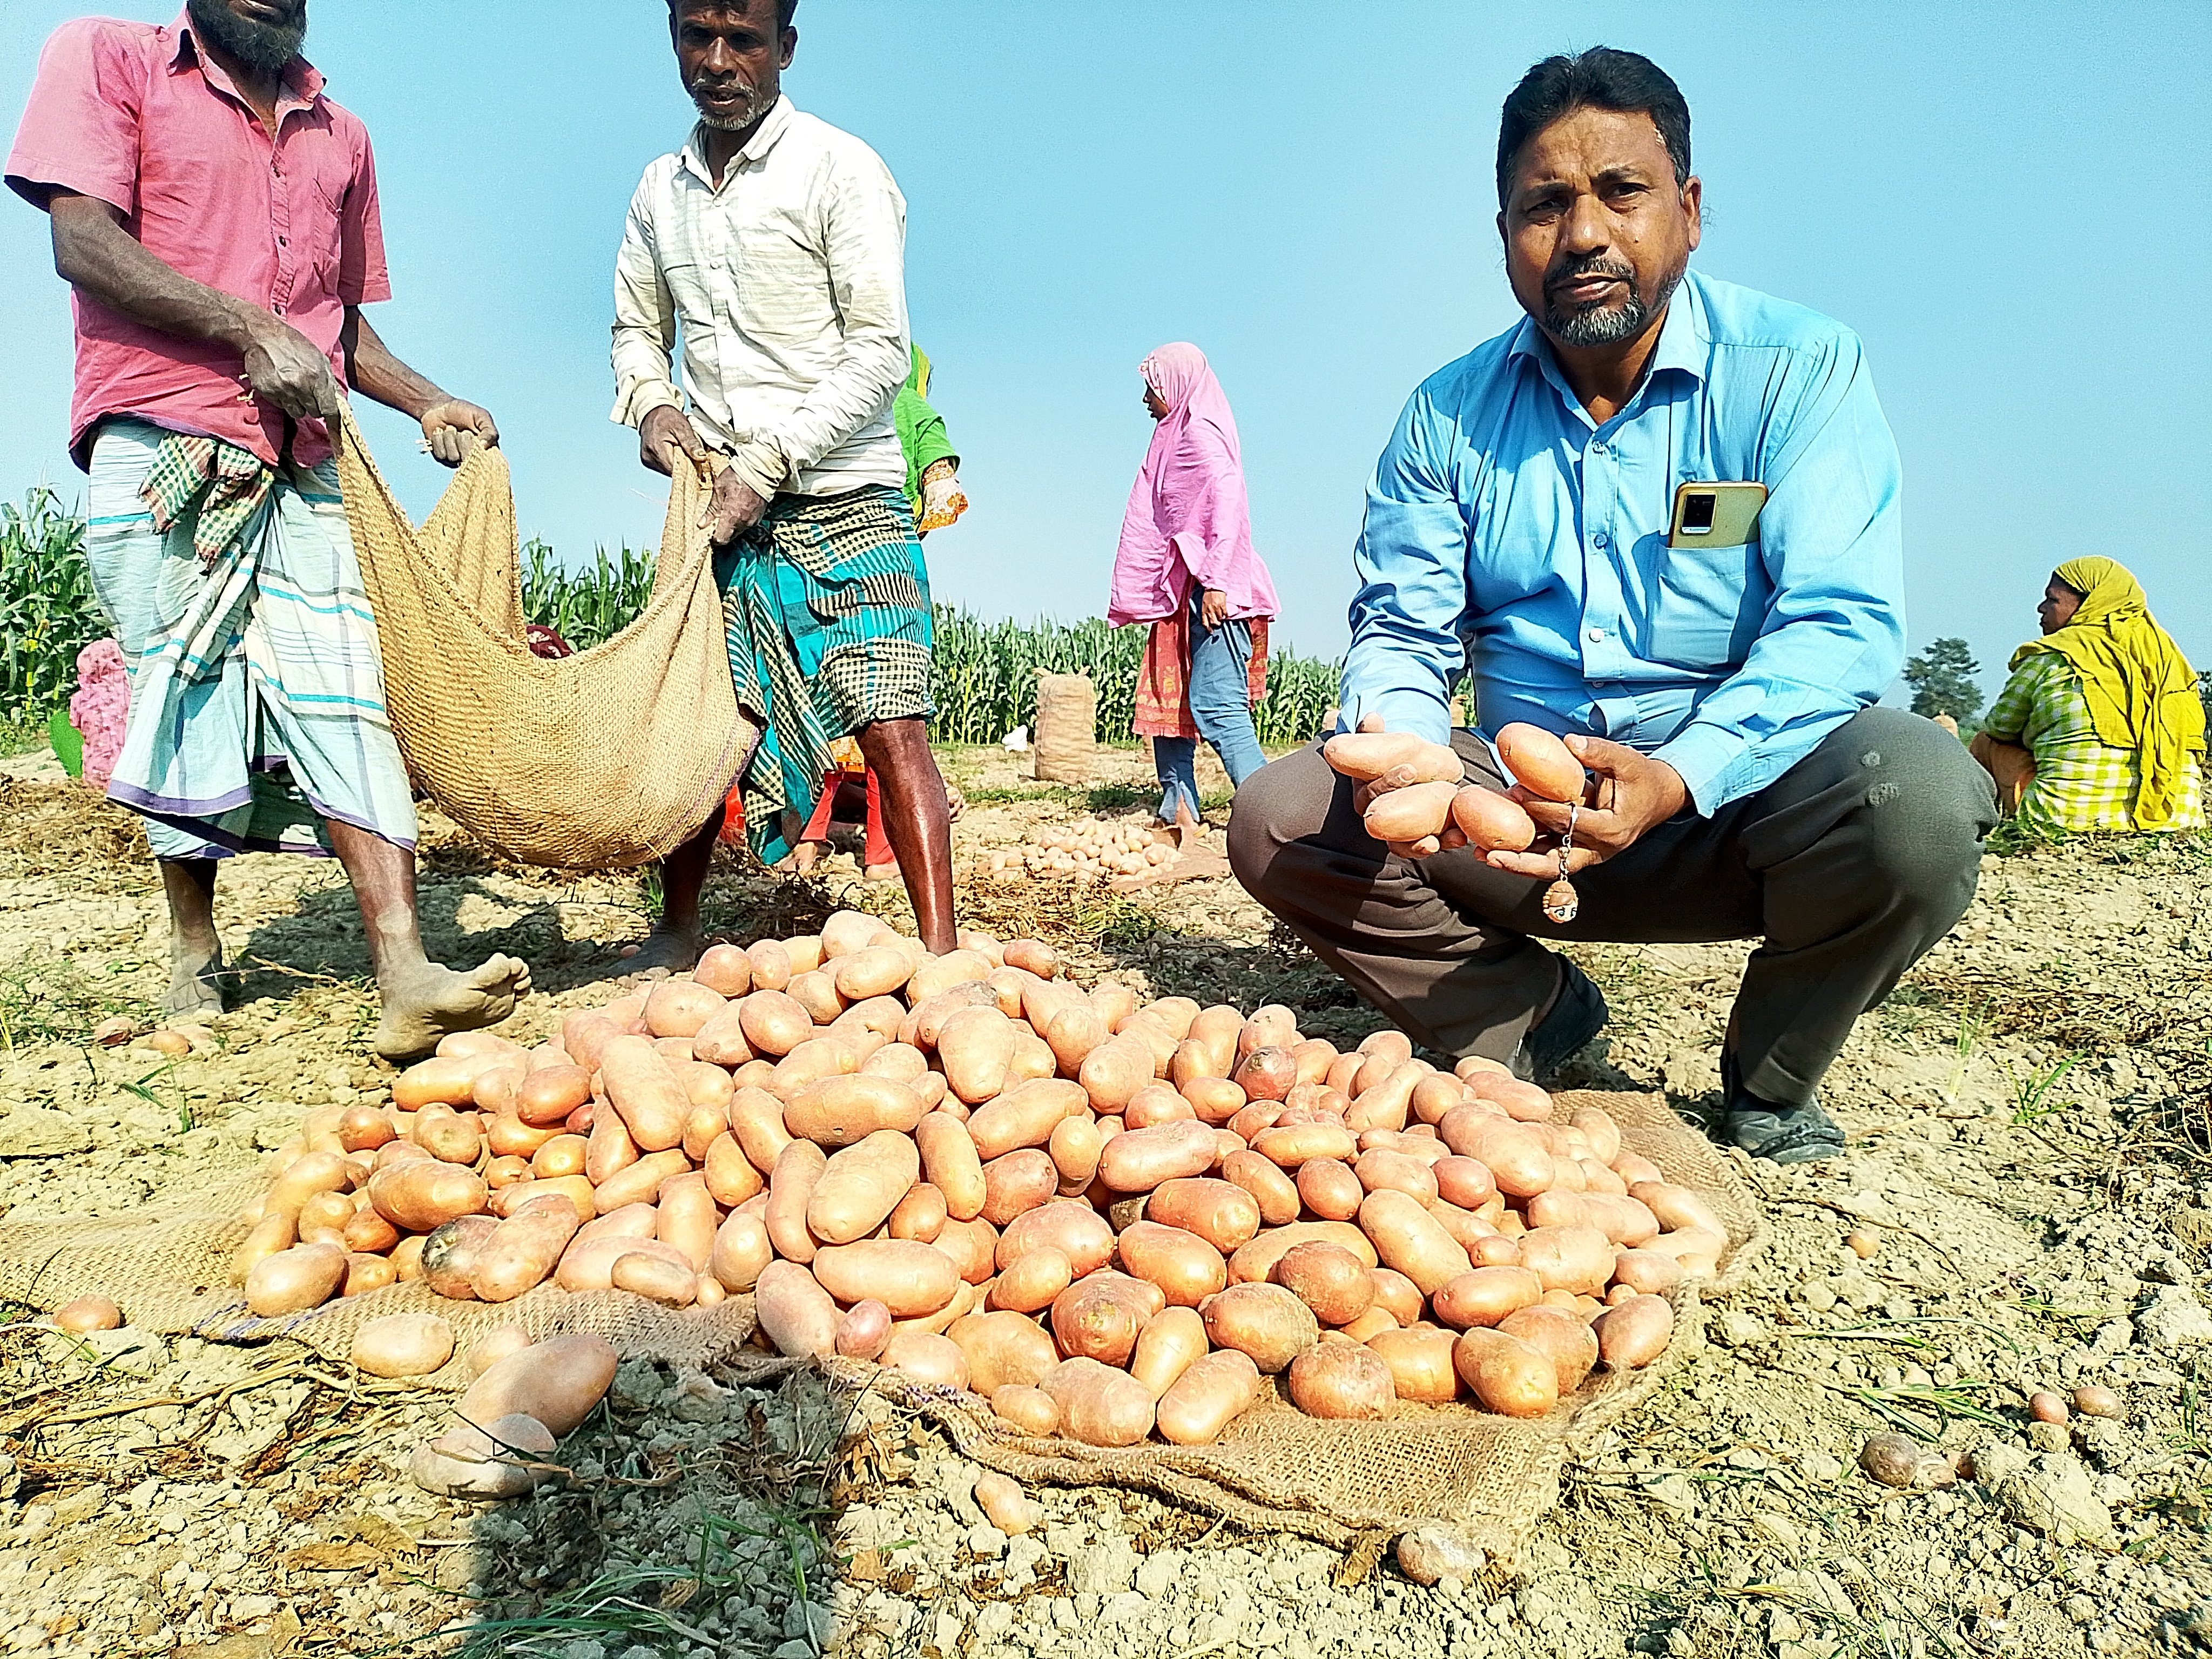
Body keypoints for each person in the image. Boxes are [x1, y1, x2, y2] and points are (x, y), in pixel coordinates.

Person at [1226, 49, 1997, 1165]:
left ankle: (1769, 1079)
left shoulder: (1794, 369)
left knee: (1917, 796)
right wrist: (1410, 761)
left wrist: (1680, 775)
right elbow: (1400, 630)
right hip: (1511, 811)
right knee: (1282, 815)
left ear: (1684, 213)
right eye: (1542, 205)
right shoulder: (1444, 417)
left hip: (1732, 803)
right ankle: (1524, 1016)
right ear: (1502, 238)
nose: (1582, 233)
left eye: (1619, 193)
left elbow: (1838, 624)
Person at [7, 1, 530, 1060]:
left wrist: (427, 398)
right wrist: (247, 327)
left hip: (304, 456)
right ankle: (193, 948)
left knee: (345, 687)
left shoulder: (342, 132)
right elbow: (82, 241)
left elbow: (336, 323)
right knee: (181, 686)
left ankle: (402, 967)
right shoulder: (109, 56)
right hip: (163, 436)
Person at [612, 0, 958, 959]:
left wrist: (767, 465)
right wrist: (652, 405)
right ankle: (676, 929)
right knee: (702, 725)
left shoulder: (840, 169)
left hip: (844, 493)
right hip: (719, 502)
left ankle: (941, 955)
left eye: (745, 41)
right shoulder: (659, 190)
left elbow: (881, 351)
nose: (718, 62)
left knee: (892, 722)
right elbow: (637, 330)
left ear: (786, 49)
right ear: (674, 38)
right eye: (698, 38)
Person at [1110, 343, 1279, 841]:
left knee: (1216, 704)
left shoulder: (1200, 437)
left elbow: (1228, 505)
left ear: (1177, 384)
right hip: (1184, 587)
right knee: (1172, 701)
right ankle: (1177, 806)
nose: (1146, 398)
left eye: (1152, 386)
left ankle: (1270, 813)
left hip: (1215, 591)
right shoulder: (1174, 436)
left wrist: (1218, 581)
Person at [1972, 559, 2206, 835]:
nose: (2041, 608)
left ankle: (1976, 830)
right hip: (2177, 822)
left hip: (2064, 822)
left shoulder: (2051, 657)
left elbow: (2000, 727)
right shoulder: (2171, 664)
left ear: (2090, 605)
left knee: (1985, 742)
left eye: (2052, 600)